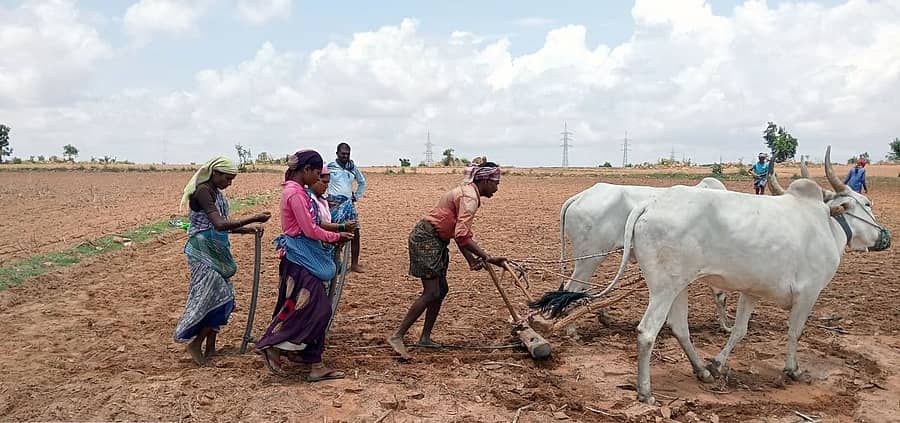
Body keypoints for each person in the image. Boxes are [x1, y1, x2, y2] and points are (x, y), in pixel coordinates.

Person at [387, 161, 505, 360]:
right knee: (432, 291)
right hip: (427, 238)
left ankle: (425, 337)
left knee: (441, 290)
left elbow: (459, 232)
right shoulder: (469, 198)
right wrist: (488, 258)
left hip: (436, 239)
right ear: (484, 180)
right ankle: (397, 336)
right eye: (496, 182)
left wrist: (471, 260)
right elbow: (461, 236)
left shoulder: (468, 192)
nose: (497, 187)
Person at [255, 150, 353, 381]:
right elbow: (310, 230)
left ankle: (312, 362)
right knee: (318, 309)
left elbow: (315, 222)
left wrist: (337, 230)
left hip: (302, 257)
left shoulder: (299, 192)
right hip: (300, 257)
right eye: (317, 174)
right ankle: (275, 345)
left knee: (300, 307)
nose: (319, 179)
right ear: (306, 170)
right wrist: (337, 238)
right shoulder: (295, 194)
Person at [174, 156, 271, 365]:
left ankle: (210, 348)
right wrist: (253, 218)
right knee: (219, 296)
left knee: (220, 295)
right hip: (202, 251)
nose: (229, 183)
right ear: (215, 173)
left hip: (216, 250)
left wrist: (248, 230)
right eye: (227, 178)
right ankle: (195, 343)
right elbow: (219, 224)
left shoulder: (215, 193)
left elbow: (224, 225)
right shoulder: (203, 192)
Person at [327, 142, 367, 273]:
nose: (345, 156)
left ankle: (354, 264)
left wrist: (357, 195)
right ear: (337, 153)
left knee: (355, 231)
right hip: (334, 203)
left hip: (349, 203)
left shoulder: (352, 167)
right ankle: (335, 264)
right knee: (335, 232)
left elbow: (362, 182)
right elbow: (321, 180)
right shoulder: (330, 167)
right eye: (343, 154)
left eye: (348, 154)